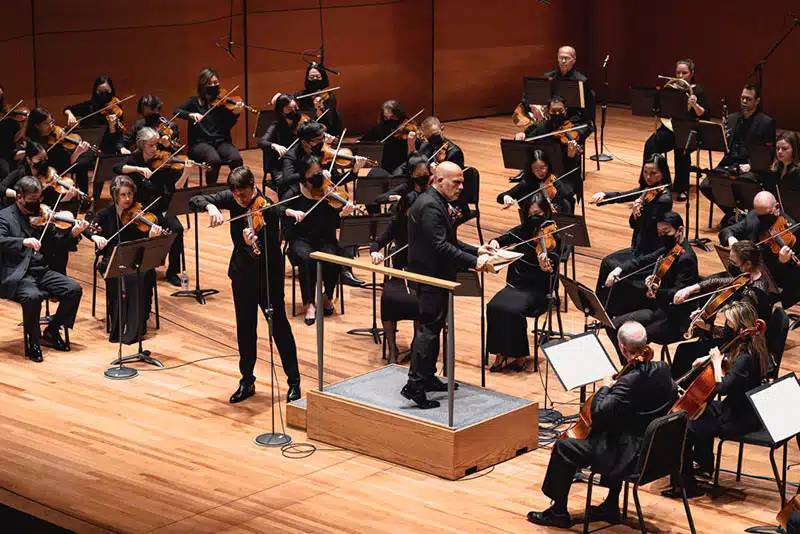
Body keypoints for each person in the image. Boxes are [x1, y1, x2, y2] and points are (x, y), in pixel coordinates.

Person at [527, 321, 677, 528]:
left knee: (564, 447)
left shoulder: (628, 381)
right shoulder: (662, 369)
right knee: (611, 430)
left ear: (622, 348)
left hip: (627, 456)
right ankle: (611, 505)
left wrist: (605, 387)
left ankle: (558, 512)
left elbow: (598, 414)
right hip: (652, 452)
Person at [190, 166, 301, 404]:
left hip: (267, 276)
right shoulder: (233, 197)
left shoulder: (268, 209)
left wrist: (252, 245)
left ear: (253, 185)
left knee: (279, 327)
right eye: (236, 194)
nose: (240, 199)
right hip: (241, 276)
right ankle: (247, 381)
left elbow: (269, 252)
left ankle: (294, 381)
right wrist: (210, 206)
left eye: (244, 194)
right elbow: (196, 198)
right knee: (245, 329)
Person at [401, 162, 494, 409]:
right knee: (429, 331)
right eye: (457, 182)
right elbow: (440, 247)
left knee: (433, 327)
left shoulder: (436, 201)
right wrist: (476, 262)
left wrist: (477, 250)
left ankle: (428, 377)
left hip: (436, 275)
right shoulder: (431, 206)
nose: (462, 187)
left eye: (462, 182)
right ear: (439, 180)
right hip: (430, 277)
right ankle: (415, 385)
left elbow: (449, 240)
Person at [665, 300, 769, 497]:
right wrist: (709, 358)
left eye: (729, 323)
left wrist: (715, 362)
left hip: (739, 418)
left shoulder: (746, 356)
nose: (726, 326)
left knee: (685, 429)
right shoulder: (752, 344)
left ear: (739, 325)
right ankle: (703, 463)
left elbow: (722, 386)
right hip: (741, 408)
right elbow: (732, 360)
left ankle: (687, 485)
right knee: (700, 409)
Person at [0, 177, 85, 362]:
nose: (37, 204)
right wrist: (22, 241)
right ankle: (33, 340)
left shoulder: (42, 216)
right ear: (20, 197)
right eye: (32, 200)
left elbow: (57, 243)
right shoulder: (5, 216)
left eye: (39, 199)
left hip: (41, 270)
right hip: (18, 273)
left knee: (73, 289)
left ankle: (52, 332)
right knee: (33, 296)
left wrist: (73, 234)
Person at [602, 211, 699, 363]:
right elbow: (643, 261)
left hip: (675, 317)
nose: (662, 236)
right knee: (612, 326)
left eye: (666, 232)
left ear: (680, 230)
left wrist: (656, 291)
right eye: (660, 232)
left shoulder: (687, 258)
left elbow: (678, 293)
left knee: (631, 338)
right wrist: (619, 270)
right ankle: (629, 366)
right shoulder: (670, 248)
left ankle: (635, 370)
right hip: (658, 308)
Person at [670, 240, 773, 379]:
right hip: (734, 337)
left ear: (748, 264)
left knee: (685, 352)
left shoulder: (751, 296)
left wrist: (707, 327)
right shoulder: (748, 277)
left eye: (734, 263)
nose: (730, 265)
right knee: (688, 349)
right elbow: (719, 281)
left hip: (740, 346)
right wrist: (691, 289)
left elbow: (731, 334)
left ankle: (679, 391)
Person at [485, 193, 560, 372]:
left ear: (546, 212)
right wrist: (495, 242)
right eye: (531, 213)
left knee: (513, 309)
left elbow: (553, 268)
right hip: (516, 284)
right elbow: (501, 239)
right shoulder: (523, 230)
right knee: (493, 306)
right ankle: (500, 351)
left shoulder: (553, 235)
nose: (535, 217)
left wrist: (545, 265)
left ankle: (519, 354)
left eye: (539, 213)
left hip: (538, 290)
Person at [592, 153, 673, 316]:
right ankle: (600, 311)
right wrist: (605, 196)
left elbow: (651, 229)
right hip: (638, 247)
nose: (648, 177)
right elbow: (625, 195)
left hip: (650, 252)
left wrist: (638, 214)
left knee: (612, 266)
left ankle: (610, 311)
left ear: (663, 174)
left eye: (653, 173)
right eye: (645, 172)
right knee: (607, 262)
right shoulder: (646, 191)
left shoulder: (664, 199)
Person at [281, 154, 355, 325]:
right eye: (313, 174)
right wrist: (292, 219)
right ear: (304, 175)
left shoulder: (326, 190)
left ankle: (327, 295)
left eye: (319, 172)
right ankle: (309, 304)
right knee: (307, 259)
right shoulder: (294, 193)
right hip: (301, 240)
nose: (317, 177)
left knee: (332, 256)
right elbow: (283, 218)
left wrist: (342, 215)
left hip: (324, 238)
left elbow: (333, 223)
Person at [113, 127, 190, 286]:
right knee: (142, 232)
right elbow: (117, 167)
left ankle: (172, 271)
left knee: (177, 229)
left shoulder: (164, 162)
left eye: (156, 145)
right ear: (142, 145)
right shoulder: (135, 159)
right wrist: (138, 169)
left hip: (160, 206)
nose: (155, 148)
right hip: (139, 209)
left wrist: (186, 173)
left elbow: (175, 186)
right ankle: (144, 267)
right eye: (151, 145)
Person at [91, 176, 162, 344]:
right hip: (112, 260)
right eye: (123, 195)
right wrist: (95, 237)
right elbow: (89, 227)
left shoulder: (139, 213)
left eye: (130, 194)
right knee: (124, 276)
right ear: (115, 196)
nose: (128, 199)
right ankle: (118, 325)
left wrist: (152, 237)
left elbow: (147, 244)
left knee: (143, 274)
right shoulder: (105, 214)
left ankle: (137, 325)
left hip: (136, 259)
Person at [369, 168, 429, 363]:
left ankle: (415, 345)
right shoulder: (398, 223)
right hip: (400, 273)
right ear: (405, 210)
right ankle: (392, 349)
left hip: (422, 273)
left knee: (419, 301)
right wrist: (374, 252)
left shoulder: (429, 224)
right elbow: (379, 241)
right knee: (387, 299)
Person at [701, 84, 776, 226]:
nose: (744, 101)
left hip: (750, 166)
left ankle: (739, 216)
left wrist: (750, 166)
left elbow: (769, 153)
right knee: (706, 185)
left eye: (748, 99)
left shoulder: (766, 122)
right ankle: (734, 214)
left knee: (742, 186)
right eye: (742, 98)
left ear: (757, 101)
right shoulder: (732, 118)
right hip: (730, 163)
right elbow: (724, 145)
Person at [643, 59, 711, 200]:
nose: (680, 76)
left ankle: (682, 188)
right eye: (678, 72)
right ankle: (660, 182)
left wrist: (695, 105)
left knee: (682, 150)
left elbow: (704, 114)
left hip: (689, 130)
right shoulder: (671, 89)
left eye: (684, 73)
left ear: (691, 73)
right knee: (650, 145)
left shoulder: (698, 90)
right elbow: (663, 111)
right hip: (670, 127)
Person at [720, 191, 799, 308]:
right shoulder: (754, 217)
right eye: (759, 216)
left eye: (766, 216)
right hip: (748, 272)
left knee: (748, 300)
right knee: (714, 286)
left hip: (774, 282)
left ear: (777, 207)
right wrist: (732, 240)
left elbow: (794, 275)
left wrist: (783, 262)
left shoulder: (793, 230)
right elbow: (726, 232)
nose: (762, 221)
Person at [63, 75, 127, 206]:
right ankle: (85, 196)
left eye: (107, 91)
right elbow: (67, 109)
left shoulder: (115, 108)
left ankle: (96, 197)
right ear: (95, 91)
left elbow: (116, 137)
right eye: (100, 91)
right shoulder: (89, 107)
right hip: (88, 146)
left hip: (106, 146)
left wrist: (111, 126)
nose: (103, 95)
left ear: (112, 91)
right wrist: (70, 115)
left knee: (103, 162)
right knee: (81, 164)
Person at [174, 67, 244, 185]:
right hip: (200, 143)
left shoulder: (222, 103)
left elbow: (227, 125)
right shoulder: (194, 102)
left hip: (221, 142)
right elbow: (176, 111)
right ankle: (211, 190)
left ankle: (236, 186)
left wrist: (235, 114)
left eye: (216, 83)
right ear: (202, 85)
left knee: (236, 158)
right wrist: (191, 114)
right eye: (209, 83)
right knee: (214, 160)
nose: (213, 85)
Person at [514, 94, 587, 201]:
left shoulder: (573, 127)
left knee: (563, 194)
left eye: (560, 111)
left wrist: (571, 156)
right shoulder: (542, 127)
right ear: (548, 110)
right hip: (540, 172)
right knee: (523, 192)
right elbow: (528, 138)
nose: (557, 114)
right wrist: (521, 136)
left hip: (564, 176)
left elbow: (574, 165)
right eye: (554, 111)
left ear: (565, 110)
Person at [24, 108, 92, 209]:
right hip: (42, 178)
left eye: (51, 121)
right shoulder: (33, 144)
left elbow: (66, 165)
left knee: (83, 163)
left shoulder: (56, 142)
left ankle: (82, 200)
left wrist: (78, 151)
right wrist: (77, 152)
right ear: (36, 126)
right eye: (46, 124)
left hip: (58, 173)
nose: (51, 126)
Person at [497, 148, 573, 213]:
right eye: (536, 169)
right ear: (531, 169)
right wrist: (506, 198)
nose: (540, 172)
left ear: (548, 166)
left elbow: (559, 205)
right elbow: (500, 197)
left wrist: (553, 209)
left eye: (543, 167)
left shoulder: (554, 182)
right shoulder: (526, 183)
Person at [543, 45, 595, 129]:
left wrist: (573, 121)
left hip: (575, 120)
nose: (563, 61)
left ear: (574, 60)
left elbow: (588, 109)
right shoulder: (548, 77)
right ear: (557, 58)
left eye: (567, 58)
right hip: (552, 119)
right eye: (561, 58)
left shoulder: (581, 80)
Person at [360, 100, 417, 173]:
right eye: (386, 118)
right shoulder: (380, 128)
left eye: (393, 117)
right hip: (385, 164)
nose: (389, 120)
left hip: (403, 163)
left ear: (400, 115)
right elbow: (365, 140)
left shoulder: (407, 128)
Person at [393, 116, 464, 175]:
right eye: (428, 136)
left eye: (435, 134)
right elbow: (411, 164)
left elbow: (454, 178)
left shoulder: (454, 152)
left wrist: (437, 172)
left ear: (442, 129)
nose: (432, 138)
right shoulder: (425, 146)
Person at [258, 93, 300, 188]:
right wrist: (274, 145)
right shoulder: (276, 126)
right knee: (292, 184)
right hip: (279, 166)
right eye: (289, 109)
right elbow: (262, 142)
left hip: (296, 162)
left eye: (295, 108)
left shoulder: (300, 122)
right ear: (281, 111)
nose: (294, 111)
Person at [294, 62, 342, 136]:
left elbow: (330, 119)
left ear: (323, 77)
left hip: (326, 129)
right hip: (306, 129)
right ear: (307, 78)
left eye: (318, 77)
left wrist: (320, 108)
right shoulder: (300, 94)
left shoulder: (329, 95)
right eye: (311, 77)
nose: (315, 79)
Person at [0, 84, 22, 180]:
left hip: (7, 149)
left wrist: (25, 126)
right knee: (5, 171)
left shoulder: (9, 120)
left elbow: (15, 138)